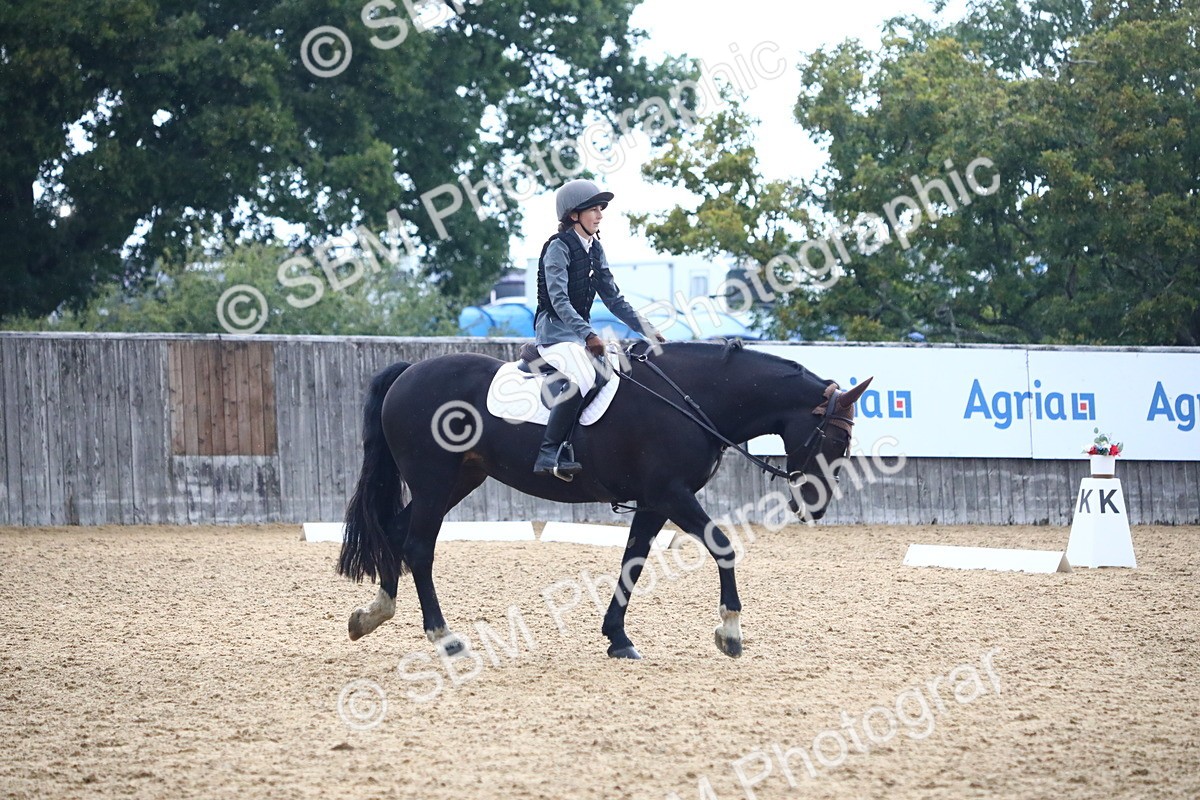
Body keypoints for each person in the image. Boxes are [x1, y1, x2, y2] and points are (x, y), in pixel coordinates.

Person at [532, 178, 666, 481]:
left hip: (576, 333)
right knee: (583, 374)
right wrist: (588, 334)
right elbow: (559, 299)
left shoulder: (595, 249)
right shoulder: (558, 247)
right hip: (553, 332)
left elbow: (614, 299)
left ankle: (578, 444)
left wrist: (648, 329)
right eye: (593, 208)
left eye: (600, 208)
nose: (600, 214)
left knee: (610, 372)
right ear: (573, 215)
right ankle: (548, 452)